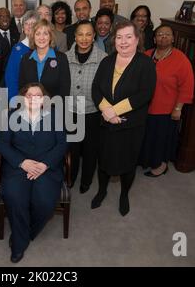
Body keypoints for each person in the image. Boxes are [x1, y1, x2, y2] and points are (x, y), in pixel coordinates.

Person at [91, 21, 156, 216]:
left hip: (130, 126)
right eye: (119, 37)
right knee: (103, 161)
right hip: (105, 124)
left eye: (128, 37)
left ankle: (124, 195)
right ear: (114, 41)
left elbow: (145, 94)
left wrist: (114, 111)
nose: (123, 41)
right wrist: (105, 110)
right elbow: (96, 88)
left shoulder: (145, 64)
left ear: (137, 39)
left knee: (127, 163)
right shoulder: (107, 61)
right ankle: (101, 191)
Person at [0, 83, 67, 263]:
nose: (33, 98)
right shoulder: (11, 116)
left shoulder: (55, 117)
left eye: (38, 95)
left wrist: (45, 165)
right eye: (29, 95)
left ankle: (23, 233)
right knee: (15, 198)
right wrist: (22, 162)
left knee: (45, 203)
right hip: (18, 167)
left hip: (47, 168)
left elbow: (62, 144)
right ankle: (19, 244)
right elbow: (2, 144)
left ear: (44, 99)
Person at [139, 25, 194, 177]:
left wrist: (178, 108)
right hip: (145, 107)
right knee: (147, 137)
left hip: (167, 110)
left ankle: (161, 165)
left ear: (173, 38)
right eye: (160, 34)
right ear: (155, 39)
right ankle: (146, 160)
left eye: (167, 34)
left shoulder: (181, 59)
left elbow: (187, 86)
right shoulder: (147, 55)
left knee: (162, 139)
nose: (163, 37)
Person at [66, 20, 107, 193]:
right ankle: (71, 176)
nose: (84, 38)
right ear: (75, 36)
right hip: (71, 111)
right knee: (72, 149)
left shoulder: (104, 59)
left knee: (90, 150)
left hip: (92, 112)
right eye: (80, 34)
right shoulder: (64, 57)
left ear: (94, 36)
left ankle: (86, 180)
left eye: (88, 34)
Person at [19, 19, 71, 99]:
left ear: (50, 37)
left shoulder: (61, 59)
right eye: (38, 34)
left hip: (54, 108)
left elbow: (65, 90)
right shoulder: (25, 59)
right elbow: (22, 88)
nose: (41, 37)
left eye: (45, 34)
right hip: (30, 108)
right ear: (33, 37)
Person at [4, 10, 38, 102]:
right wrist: (15, 100)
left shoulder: (47, 48)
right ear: (22, 27)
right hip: (22, 99)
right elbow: (11, 77)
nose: (30, 26)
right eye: (26, 23)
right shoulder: (17, 49)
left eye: (33, 23)